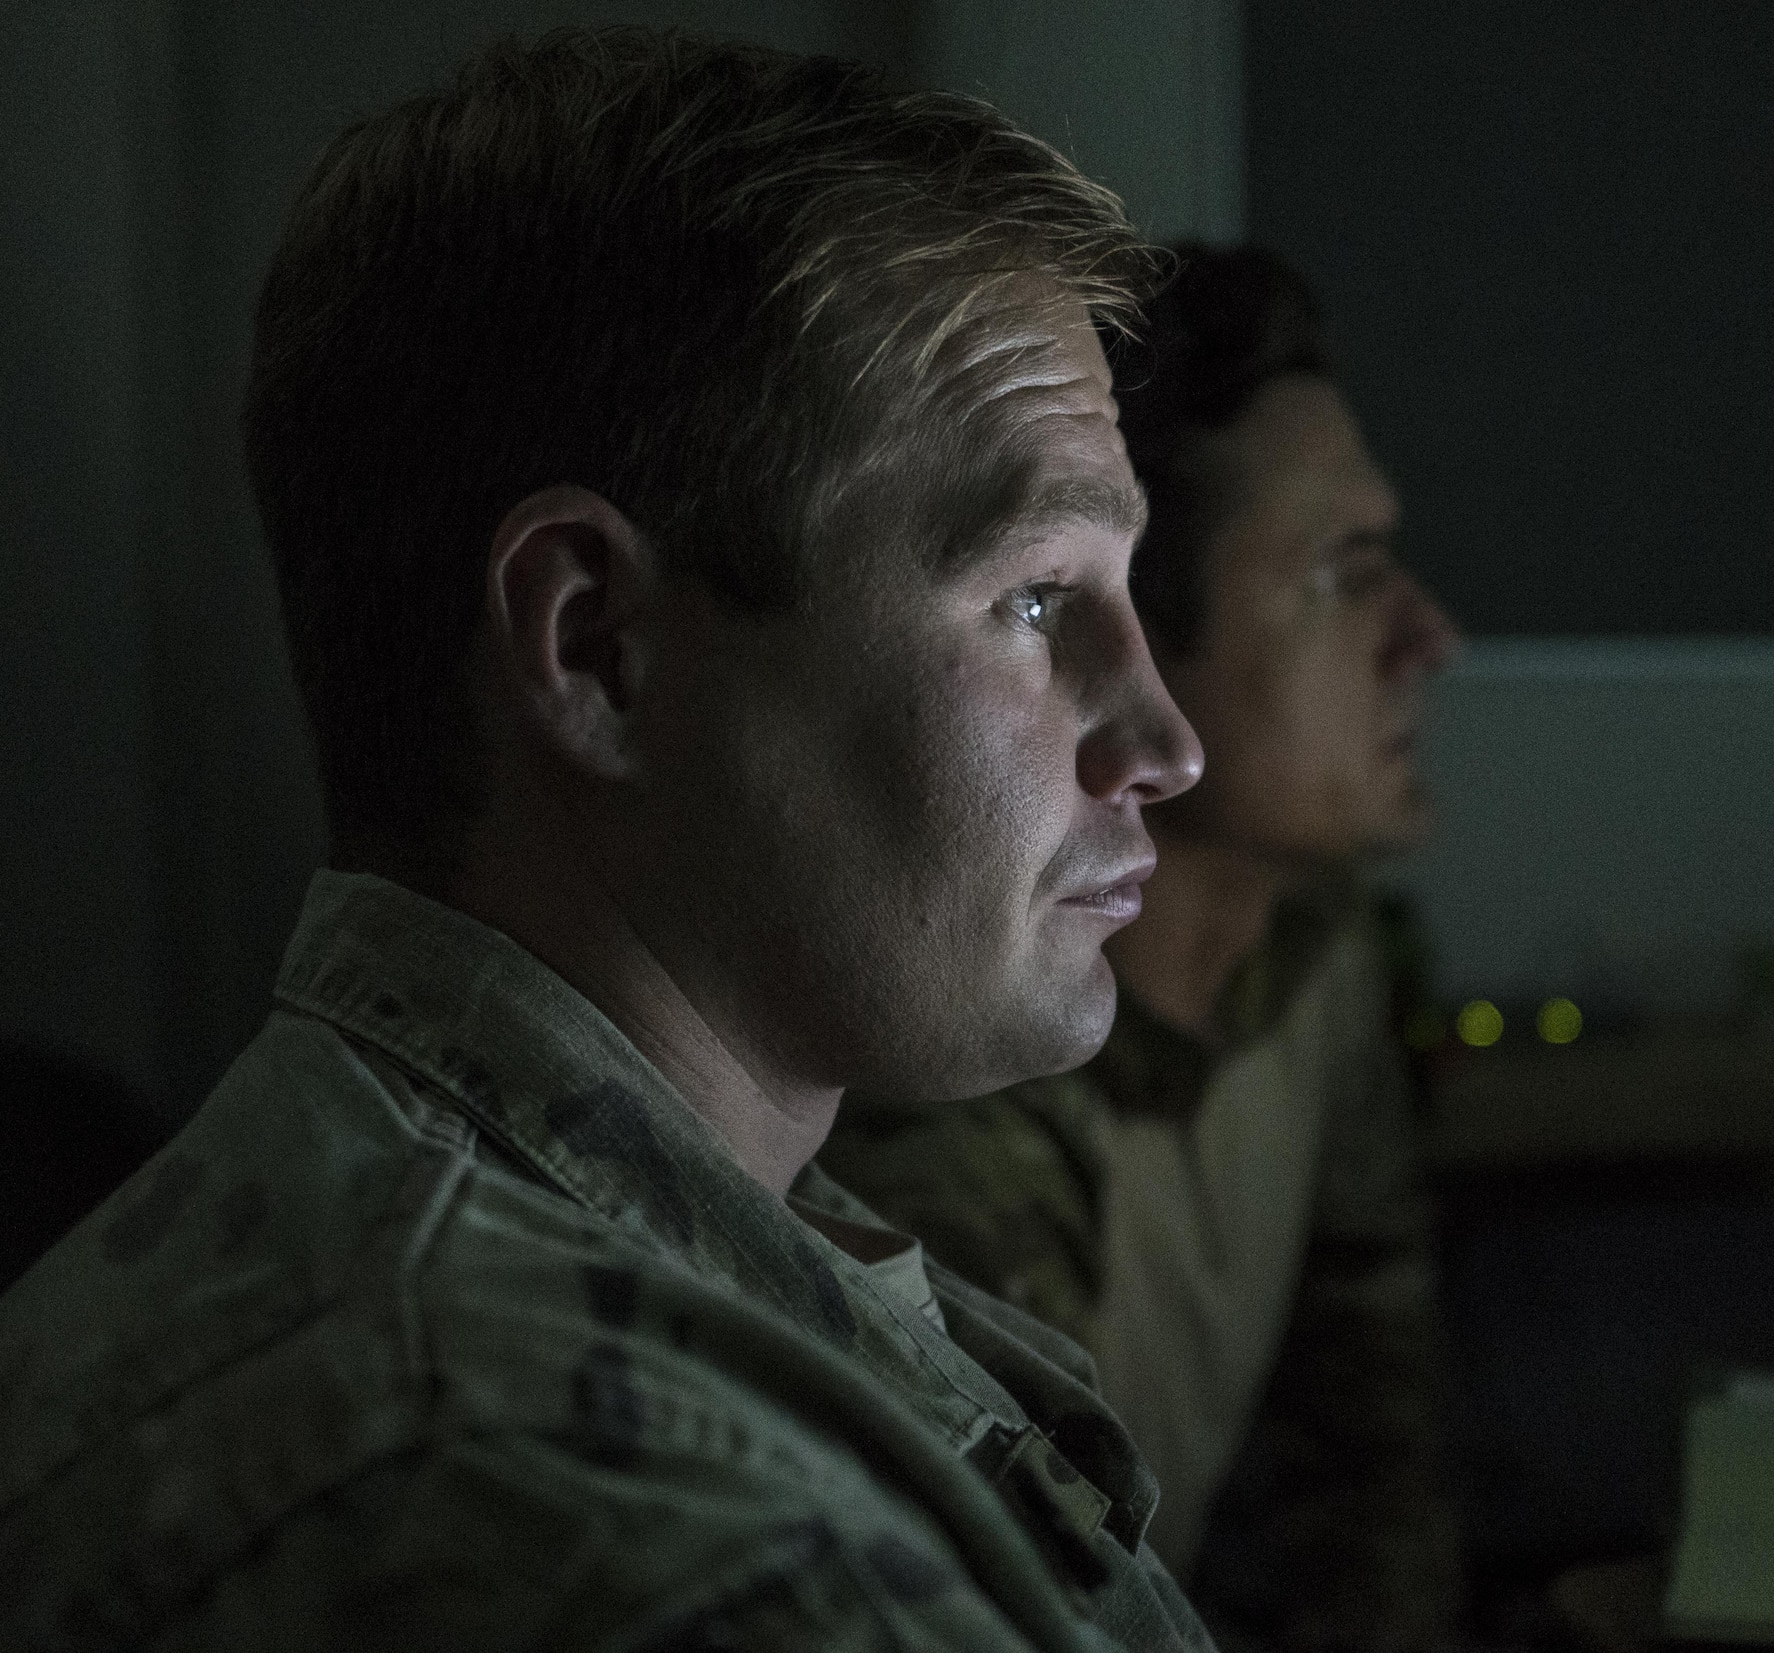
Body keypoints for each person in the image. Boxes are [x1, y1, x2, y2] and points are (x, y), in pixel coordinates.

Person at [0, 29, 1215, 1649]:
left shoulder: (652, 1281)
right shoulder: (567, 1511)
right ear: (597, 654)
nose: (1165, 744)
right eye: (1037, 597)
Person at [820, 245, 1465, 1653]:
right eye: (1343, 574)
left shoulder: (1314, 943)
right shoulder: (971, 1055)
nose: (1428, 635)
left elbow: (1362, 1464)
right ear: (1136, 638)